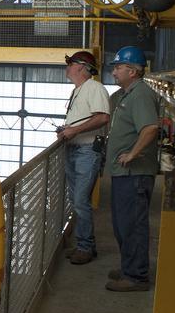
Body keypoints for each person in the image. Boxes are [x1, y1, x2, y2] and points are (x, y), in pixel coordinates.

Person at [103, 46, 161, 292]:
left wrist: (132, 154)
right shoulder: (125, 95)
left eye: (118, 67)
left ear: (133, 71)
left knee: (133, 224)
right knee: (122, 224)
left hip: (134, 173)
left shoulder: (140, 95)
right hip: (123, 173)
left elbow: (150, 128)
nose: (114, 72)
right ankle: (129, 267)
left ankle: (136, 276)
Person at [57, 50, 111, 265]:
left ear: (80, 67)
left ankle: (85, 247)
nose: (67, 68)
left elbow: (103, 118)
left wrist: (75, 131)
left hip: (86, 150)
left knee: (80, 201)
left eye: (70, 64)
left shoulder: (94, 88)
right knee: (77, 201)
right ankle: (84, 244)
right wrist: (69, 129)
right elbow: (87, 118)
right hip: (76, 149)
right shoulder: (79, 90)